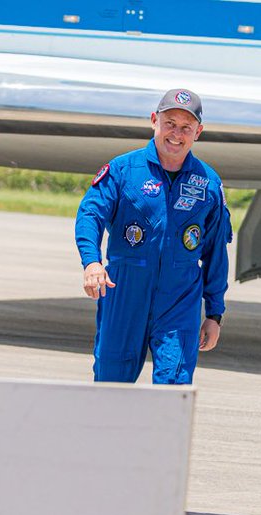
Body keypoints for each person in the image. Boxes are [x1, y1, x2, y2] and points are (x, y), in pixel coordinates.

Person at [74, 89, 231, 384]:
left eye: (186, 127)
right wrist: (91, 263)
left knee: (173, 386)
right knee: (111, 386)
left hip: (179, 300)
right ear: (153, 121)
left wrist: (214, 313)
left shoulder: (208, 183)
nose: (176, 134)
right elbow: (89, 215)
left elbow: (215, 251)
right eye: (170, 123)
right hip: (124, 291)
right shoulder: (123, 170)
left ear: (198, 132)